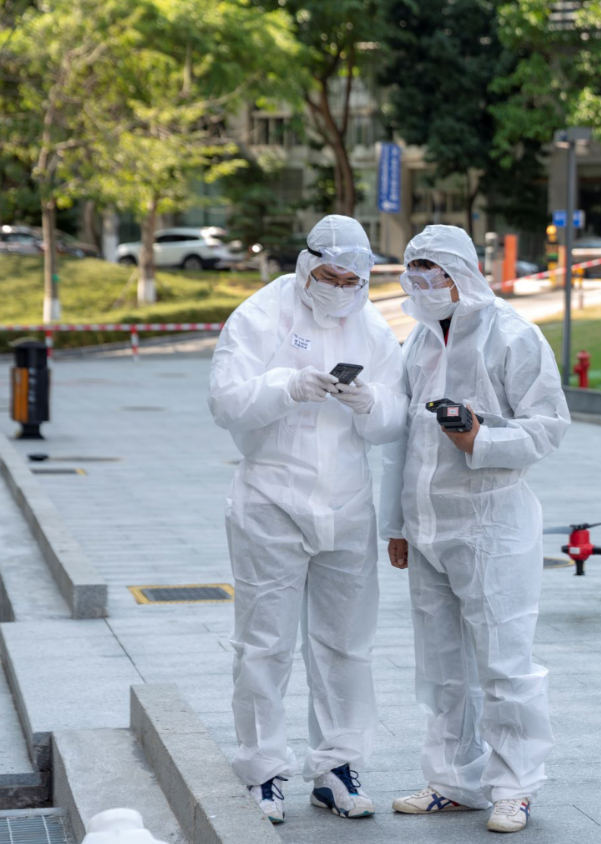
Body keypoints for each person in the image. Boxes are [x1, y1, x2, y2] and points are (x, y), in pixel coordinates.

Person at [207, 215, 406, 824]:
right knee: (265, 644)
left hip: (346, 505)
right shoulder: (259, 317)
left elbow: (394, 420)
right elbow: (224, 401)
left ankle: (338, 767)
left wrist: (370, 402)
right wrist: (285, 386)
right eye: (330, 276)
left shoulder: (371, 327)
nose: (340, 288)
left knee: (347, 644)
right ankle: (264, 770)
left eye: (352, 280)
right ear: (305, 264)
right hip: (271, 499)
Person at [380, 225, 569, 834]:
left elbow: (547, 426)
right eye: (414, 272)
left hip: (493, 525)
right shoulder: (416, 343)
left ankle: (515, 786)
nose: (422, 283)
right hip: (429, 528)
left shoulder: (514, 335)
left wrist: (479, 438)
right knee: (440, 666)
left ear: (461, 271)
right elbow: (402, 446)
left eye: (432, 270)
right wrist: (398, 525)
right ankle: (453, 782)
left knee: (505, 661)